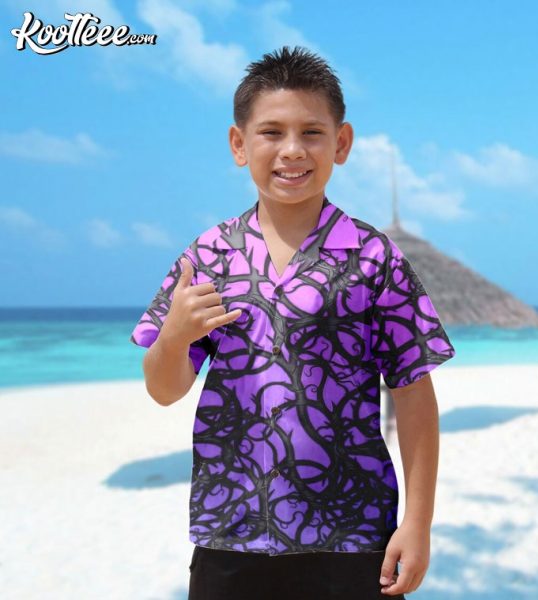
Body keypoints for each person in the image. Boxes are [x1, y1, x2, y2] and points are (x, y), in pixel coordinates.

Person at [130, 45, 456, 600]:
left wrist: (418, 523)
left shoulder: (374, 257)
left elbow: (412, 392)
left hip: (353, 535)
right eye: (271, 132)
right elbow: (164, 390)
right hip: (229, 530)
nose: (292, 150)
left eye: (311, 132)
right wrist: (175, 337)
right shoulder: (209, 256)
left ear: (341, 143)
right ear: (239, 144)